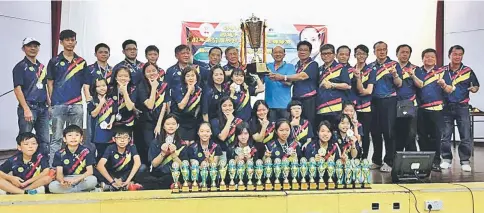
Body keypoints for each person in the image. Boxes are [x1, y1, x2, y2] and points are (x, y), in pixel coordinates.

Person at [47, 29, 89, 165]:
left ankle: (76, 165)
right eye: (67, 40)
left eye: (72, 40)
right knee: (57, 139)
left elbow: (86, 84)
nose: (70, 42)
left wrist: (87, 101)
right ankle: (53, 168)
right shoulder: (54, 61)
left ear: (75, 42)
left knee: (76, 138)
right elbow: (50, 83)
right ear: (61, 42)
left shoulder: (82, 62)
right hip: (59, 105)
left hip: (77, 105)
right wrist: (51, 103)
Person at [441, 45, 480, 172]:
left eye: (460, 54)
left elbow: (475, 86)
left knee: (465, 135)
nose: (457, 56)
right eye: (455, 54)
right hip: (445, 107)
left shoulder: (467, 70)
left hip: (462, 106)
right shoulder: (442, 71)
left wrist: (474, 89)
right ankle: (446, 159)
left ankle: (464, 161)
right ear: (449, 55)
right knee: (445, 135)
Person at [416, 48, 454, 171]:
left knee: (436, 137)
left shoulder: (442, 71)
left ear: (436, 59)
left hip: (437, 109)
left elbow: (450, 89)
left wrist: (443, 84)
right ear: (422, 58)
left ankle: (436, 161)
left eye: (432, 56)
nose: (429, 59)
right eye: (427, 56)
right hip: (420, 109)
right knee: (422, 136)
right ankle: (424, 161)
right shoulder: (417, 71)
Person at [368, 41, 403, 172]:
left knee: (389, 132)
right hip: (373, 102)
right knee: (375, 132)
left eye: (384, 49)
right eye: (379, 50)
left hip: (389, 101)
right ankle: (376, 160)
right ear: (374, 52)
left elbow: (399, 84)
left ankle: (389, 161)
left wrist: (395, 75)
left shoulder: (394, 65)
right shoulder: (370, 66)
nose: (382, 52)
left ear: (387, 51)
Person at [269, 41, 319, 130]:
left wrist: (282, 77)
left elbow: (302, 77)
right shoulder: (296, 66)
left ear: (310, 52)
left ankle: (311, 143)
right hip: (296, 100)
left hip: (309, 99)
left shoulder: (313, 64)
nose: (302, 52)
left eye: (305, 50)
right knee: (297, 124)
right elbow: (290, 82)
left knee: (309, 124)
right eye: (300, 50)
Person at [12, 37, 49, 156]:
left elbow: (45, 87)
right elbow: (17, 89)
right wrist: (26, 109)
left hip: (43, 108)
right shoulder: (20, 66)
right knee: (25, 138)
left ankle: (42, 164)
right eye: (29, 46)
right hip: (29, 107)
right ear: (24, 48)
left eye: (35, 46)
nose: (33, 48)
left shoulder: (42, 67)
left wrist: (50, 105)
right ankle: (21, 166)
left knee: (44, 140)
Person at [135, 63, 168, 164]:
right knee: (149, 145)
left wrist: (159, 124)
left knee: (163, 145)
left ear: (158, 72)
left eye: (153, 71)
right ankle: (150, 167)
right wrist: (153, 88)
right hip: (147, 121)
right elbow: (149, 105)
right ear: (144, 74)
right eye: (148, 71)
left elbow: (164, 105)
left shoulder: (164, 85)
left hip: (162, 121)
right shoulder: (141, 86)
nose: (151, 73)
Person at [49, 125, 97, 193]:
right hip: (67, 178)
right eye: (70, 135)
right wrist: (62, 181)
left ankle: (70, 191)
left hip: (81, 178)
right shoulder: (59, 153)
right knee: (52, 186)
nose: (73, 138)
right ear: (64, 139)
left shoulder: (86, 151)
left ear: (81, 138)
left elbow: (90, 171)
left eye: (77, 135)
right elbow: (59, 173)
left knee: (93, 180)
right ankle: (82, 191)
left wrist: (76, 179)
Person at [84, 43, 113, 153]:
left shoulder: (112, 70)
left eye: (106, 52)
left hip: (108, 104)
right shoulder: (90, 69)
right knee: (92, 132)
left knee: (107, 133)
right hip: (95, 103)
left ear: (109, 54)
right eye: (100, 52)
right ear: (95, 54)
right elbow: (86, 87)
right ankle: (91, 160)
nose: (103, 54)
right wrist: (90, 101)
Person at [96, 126, 144, 191]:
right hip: (113, 174)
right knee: (95, 170)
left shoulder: (132, 147)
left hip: (126, 174)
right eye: (119, 137)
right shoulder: (110, 148)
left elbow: (138, 163)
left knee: (142, 168)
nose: (122, 140)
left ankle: (127, 184)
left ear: (129, 139)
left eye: (125, 137)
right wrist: (113, 181)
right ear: (114, 139)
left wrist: (127, 180)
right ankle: (114, 186)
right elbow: (100, 166)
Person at [148, 114, 189, 189]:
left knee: (168, 179)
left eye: (173, 124)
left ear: (178, 126)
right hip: (159, 173)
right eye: (168, 124)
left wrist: (173, 154)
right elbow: (153, 164)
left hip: (175, 174)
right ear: (163, 126)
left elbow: (183, 167)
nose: (171, 126)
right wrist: (163, 153)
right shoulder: (155, 142)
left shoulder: (182, 144)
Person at [315, 44, 351, 129]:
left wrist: (332, 85)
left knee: (335, 134)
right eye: (324, 54)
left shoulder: (341, 68)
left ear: (334, 55)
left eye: (329, 53)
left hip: (335, 108)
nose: (326, 55)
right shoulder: (319, 69)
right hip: (321, 108)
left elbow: (348, 86)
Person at [394, 44, 421, 152]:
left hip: (410, 105)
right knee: (396, 134)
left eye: (407, 52)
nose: (405, 54)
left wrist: (412, 75)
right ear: (397, 54)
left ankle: (411, 162)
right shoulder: (391, 68)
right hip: (394, 104)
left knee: (411, 134)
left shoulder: (415, 69)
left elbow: (421, 84)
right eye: (402, 52)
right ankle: (396, 160)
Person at [352, 45, 375, 160]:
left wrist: (358, 79)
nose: (361, 56)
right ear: (354, 55)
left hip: (366, 108)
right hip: (352, 108)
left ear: (367, 55)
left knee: (365, 134)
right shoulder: (350, 70)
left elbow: (368, 91)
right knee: (352, 133)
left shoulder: (371, 71)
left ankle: (364, 158)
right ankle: (354, 158)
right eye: (358, 53)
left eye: (363, 54)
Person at [170, 66, 203, 143]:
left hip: (192, 122)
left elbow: (199, 106)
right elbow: (181, 106)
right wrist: (189, 91)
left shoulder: (199, 90)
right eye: (187, 76)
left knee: (191, 144)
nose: (190, 78)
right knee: (183, 145)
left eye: (193, 75)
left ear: (197, 77)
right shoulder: (177, 89)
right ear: (184, 78)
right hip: (179, 121)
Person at [88, 78, 117, 160]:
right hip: (97, 131)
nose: (102, 88)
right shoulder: (92, 100)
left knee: (108, 153)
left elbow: (114, 113)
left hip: (109, 130)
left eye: (104, 85)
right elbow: (93, 114)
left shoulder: (111, 99)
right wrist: (101, 102)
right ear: (95, 88)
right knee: (100, 152)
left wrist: (111, 123)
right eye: (98, 86)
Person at [265, 46, 295, 121]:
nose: (278, 54)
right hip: (269, 105)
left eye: (280, 52)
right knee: (270, 130)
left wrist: (277, 78)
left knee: (284, 129)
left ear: (284, 55)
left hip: (285, 105)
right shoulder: (267, 66)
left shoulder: (290, 67)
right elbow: (260, 82)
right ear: (271, 54)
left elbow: (289, 83)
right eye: (275, 52)